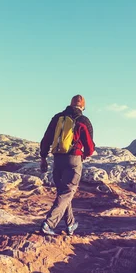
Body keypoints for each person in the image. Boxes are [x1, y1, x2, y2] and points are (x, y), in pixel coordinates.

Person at [39, 94, 95, 235]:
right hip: (73, 159)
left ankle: (70, 224)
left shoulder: (57, 117)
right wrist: (85, 155)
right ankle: (49, 224)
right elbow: (90, 146)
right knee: (67, 192)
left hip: (58, 159)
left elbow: (46, 139)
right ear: (83, 106)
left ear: (70, 104)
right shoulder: (83, 120)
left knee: (64, 193)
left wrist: (43, 157)